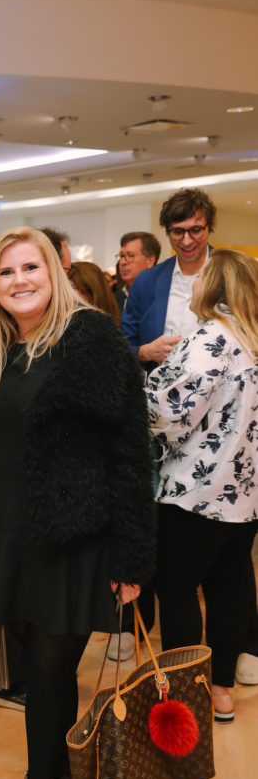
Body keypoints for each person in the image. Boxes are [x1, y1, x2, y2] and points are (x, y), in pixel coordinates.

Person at [0, 227, 155, 779]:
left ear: (56, 270)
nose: (19, 280)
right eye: (6, 272)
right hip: (8, 537)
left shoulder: (91, 339)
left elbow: (129, 452)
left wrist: (131, 557)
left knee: (48, 676)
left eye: (30, 267)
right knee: (39, 676)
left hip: (72, 540)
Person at [146, 249, 258, 724]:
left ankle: (186, 697)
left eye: (197, 279)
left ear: (212, 286)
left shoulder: (210, 337)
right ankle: (222, 691)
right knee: (231, 584)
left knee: (176, 588)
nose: (189, 286)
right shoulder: (251, 338)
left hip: (196, 490)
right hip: (246, 492)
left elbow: (165, 411)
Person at [121, 188, 216, 370]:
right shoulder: (146, 281)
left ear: (210, 226)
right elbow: (123, 344)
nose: (186, 241)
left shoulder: (234, 273)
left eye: (195, 230)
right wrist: (144, 352)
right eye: (177, 232)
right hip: (160, 391)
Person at [115, 231, 161, 311]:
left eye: (130, 256)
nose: (122, 262)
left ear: (150, 261)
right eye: (122, 256)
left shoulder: (165, 297)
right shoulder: (112, 301)